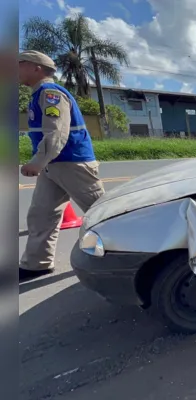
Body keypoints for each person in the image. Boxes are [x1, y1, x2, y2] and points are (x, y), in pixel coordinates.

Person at [19, 50, 105, 279]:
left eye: (20, 64)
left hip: (72, 163)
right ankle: (36, 264)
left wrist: (37, 162)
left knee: (103, 213)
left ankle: (137, 254)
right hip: (53, 165)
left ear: (36, 67)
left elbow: (56, 132)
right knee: (41, 215)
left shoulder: (50, 94)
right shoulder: (38, 94)